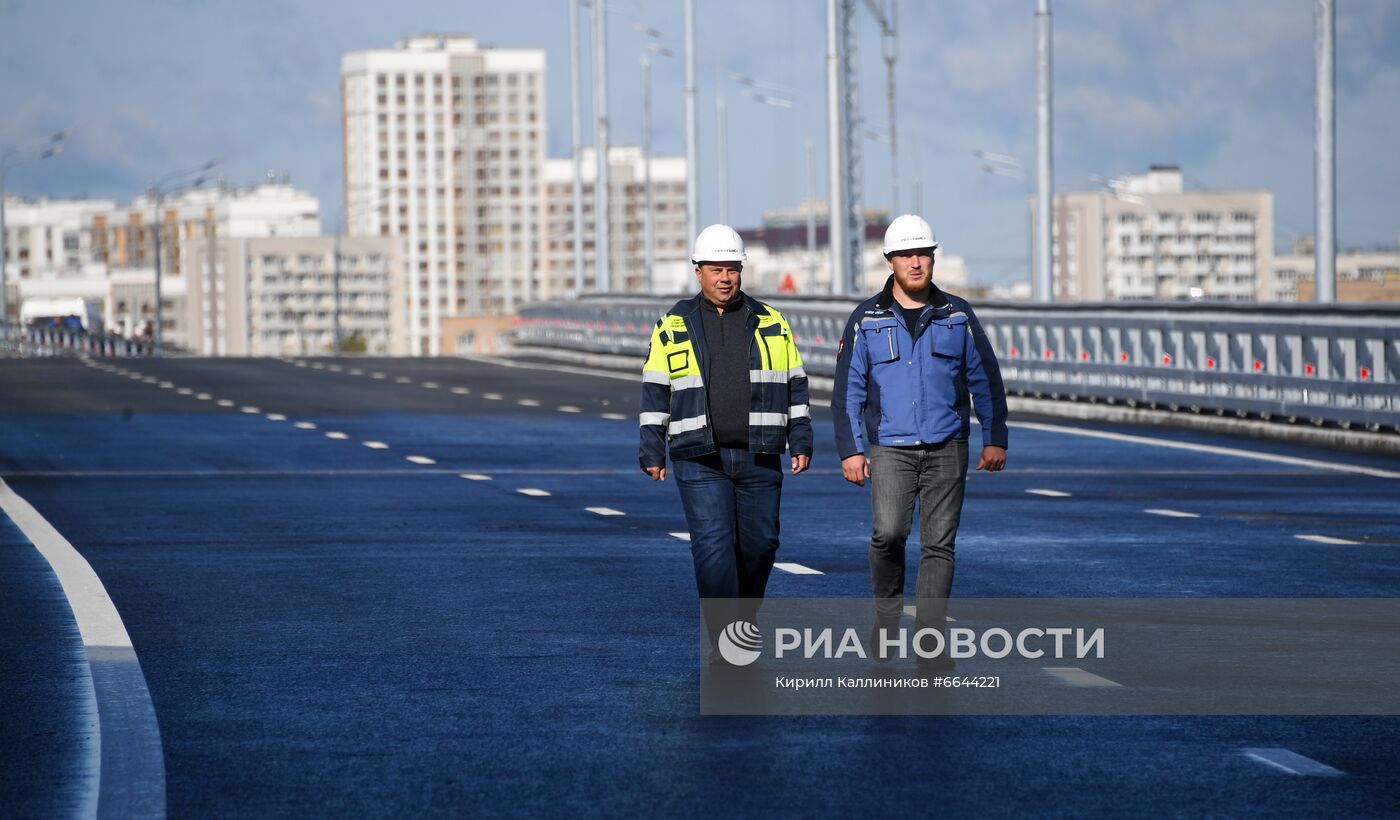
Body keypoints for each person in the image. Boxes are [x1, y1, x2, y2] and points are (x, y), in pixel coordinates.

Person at [832, 214, 1008, 669]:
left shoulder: (957, 315)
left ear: (933, 259)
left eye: (923, 255)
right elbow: (847, 389)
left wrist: (995, 437)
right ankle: (887, 617)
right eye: (907, 255)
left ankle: (930, 640)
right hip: (890, 447)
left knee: (939, 544)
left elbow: (985, 377)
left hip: (948, 444)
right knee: (888, 534)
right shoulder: (867, 319)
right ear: (890, 261)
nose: (916, 263)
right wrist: (852, 449)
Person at [640, 224, 813, 655]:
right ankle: (726, 640)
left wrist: (802, 436)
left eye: (732, 269)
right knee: (714, 549)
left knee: (761, 545)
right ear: (697, 271)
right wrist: (651, 446)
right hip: (699, 456)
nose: (725, 278)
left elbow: (794, 382)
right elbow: (655, 386)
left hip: (760, 453)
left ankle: (743, 619)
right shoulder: (673, 324)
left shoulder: (771, 322)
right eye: (716, 269)